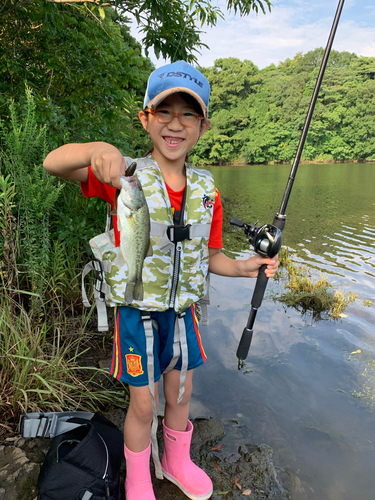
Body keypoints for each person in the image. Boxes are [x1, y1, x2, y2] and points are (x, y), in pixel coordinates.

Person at [43, 60, 279, 500]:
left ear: (203, 126)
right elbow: (52, 163)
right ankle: (137, 477)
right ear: (145, 119)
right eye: (164, 111)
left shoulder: (207, 190)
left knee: (181, 394)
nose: (175, 123)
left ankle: (175, 460)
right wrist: (95, 149)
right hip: (136, 314)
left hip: (183, 315)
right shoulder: (123, 175)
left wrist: (246, 267)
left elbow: (211, 257)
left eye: (188, 113)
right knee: (143, 402)